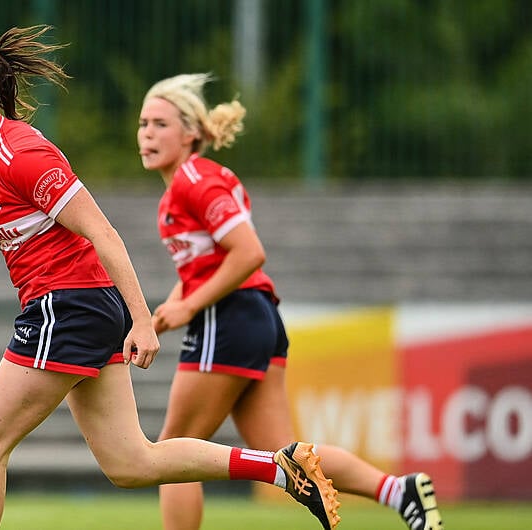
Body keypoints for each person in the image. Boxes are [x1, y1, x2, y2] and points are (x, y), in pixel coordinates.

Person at [0, 26, 339, 530]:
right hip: (77, 309)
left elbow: (104, 234)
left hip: (67, 306)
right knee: (131, 464)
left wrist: (143, 321)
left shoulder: (22, 154)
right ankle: (279, 467)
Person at [137, 73, 445, 530]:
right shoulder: (180, 189)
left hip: (233, 315)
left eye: (160, 124)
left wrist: (188, 307)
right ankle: (398, 491)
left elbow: (248, 252)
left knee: (174, 450)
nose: (147, 134)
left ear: (192, 134)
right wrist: (162, 314)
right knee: (286, 452)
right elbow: (204, 267)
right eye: (143, 123)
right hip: (255, 315)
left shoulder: (195, 180)